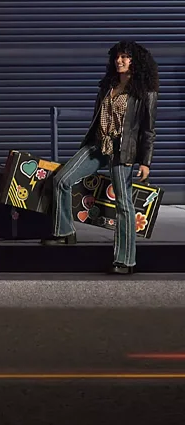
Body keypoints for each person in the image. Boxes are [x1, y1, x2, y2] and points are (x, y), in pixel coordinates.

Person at [43, 41, 159, 275]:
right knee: (61, 179)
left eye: (126, 57)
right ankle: (65, 232)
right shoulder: (109, 85)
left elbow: (148, 129)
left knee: (123, 205)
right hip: (98, 144)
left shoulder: (145, 91)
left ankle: (125, 261)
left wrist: (145, 162)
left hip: (121, 150)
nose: (120, 61)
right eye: (118, 57)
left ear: (136, 61)